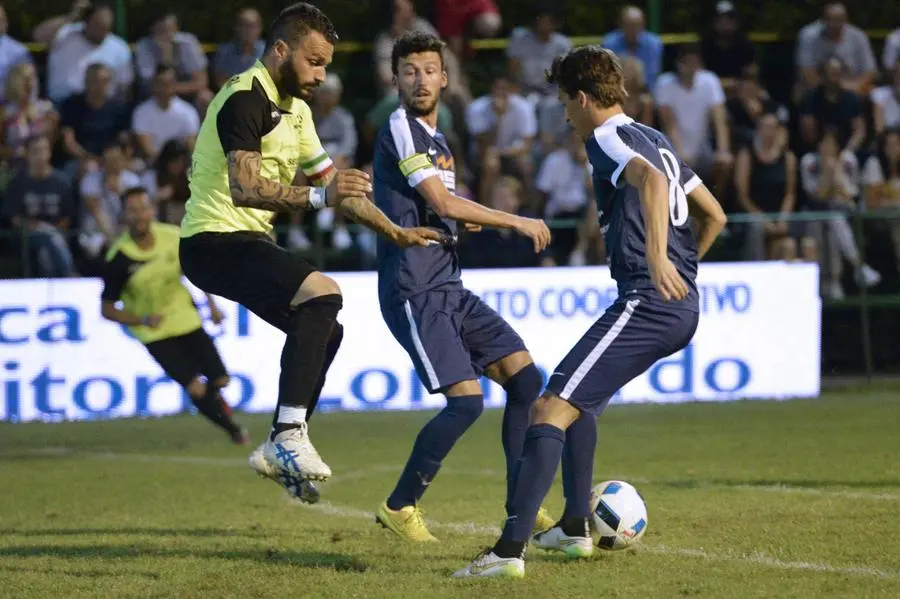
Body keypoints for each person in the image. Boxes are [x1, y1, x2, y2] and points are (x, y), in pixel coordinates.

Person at [453, 46, 727, 578]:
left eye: (563, 103)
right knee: (579, 405)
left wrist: (656, 262)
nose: (564, 116)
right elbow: (713, 213)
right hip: (673, 304)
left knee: (548, 408)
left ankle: (507, 553)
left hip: (647, 300)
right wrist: (682, 271)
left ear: (582, 98)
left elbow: (649, 182)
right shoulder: (657, 137)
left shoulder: (606, 137)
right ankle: (576, 527)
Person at [177, 3, 442, 504]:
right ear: (281, 50)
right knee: (324, 295)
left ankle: (282, 441)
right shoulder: (244, 98)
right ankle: (288, 436)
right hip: (211, 242)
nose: (321, 75)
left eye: (325, 65)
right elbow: (245, 187)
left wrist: (397, 233)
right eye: (314, 61)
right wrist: (323, 196)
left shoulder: (296, 112)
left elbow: (334, 186)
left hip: (245, 241)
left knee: (325, 330)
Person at [370, 31, 553, 542]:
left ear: (445, 78)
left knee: (524, 379)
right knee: (467, 402)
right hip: (414, 288)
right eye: (409, 71)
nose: (420, 79)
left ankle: (523, 506)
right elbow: (444, 203)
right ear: (396, 80)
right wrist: (511, 220)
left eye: (429, 69)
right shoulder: (401, 127)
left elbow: (442, 207)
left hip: (449, 284)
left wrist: (461, 223)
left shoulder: (438, 140)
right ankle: (400, 506)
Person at [101, 187, 248, 444]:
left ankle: (215, 404)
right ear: (124, 215)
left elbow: (196, 271)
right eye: (132, 211)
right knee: (195, 386)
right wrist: (142, 320)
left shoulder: (173, 236)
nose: (139, 215)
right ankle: (232, 429)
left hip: (185, 318)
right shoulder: (119, 258)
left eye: (143, 208)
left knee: (221, 379)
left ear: (152, 210)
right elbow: (107, 309)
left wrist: (212, 304)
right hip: (154, 331)